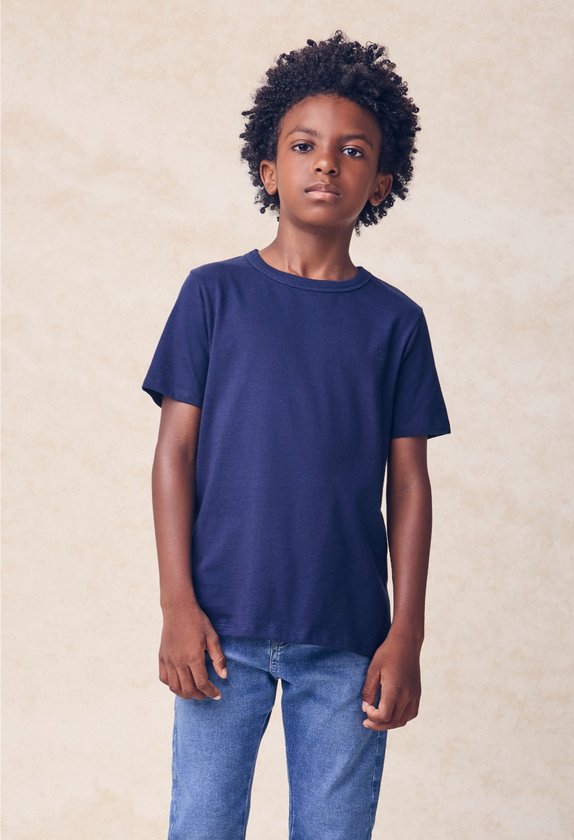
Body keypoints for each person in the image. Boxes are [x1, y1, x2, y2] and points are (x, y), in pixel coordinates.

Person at [141, 30, 451, 840]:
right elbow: (174, 454)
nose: (327, 165)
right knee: (201, 826)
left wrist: (407, 633)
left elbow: (409, 485)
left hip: (348, 640)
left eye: (354, 151)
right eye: (304, 146)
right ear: (268, 169)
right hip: (219, 630)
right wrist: (177, 604)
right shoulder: (212, 296)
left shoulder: (397, 323)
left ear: (381, 183)